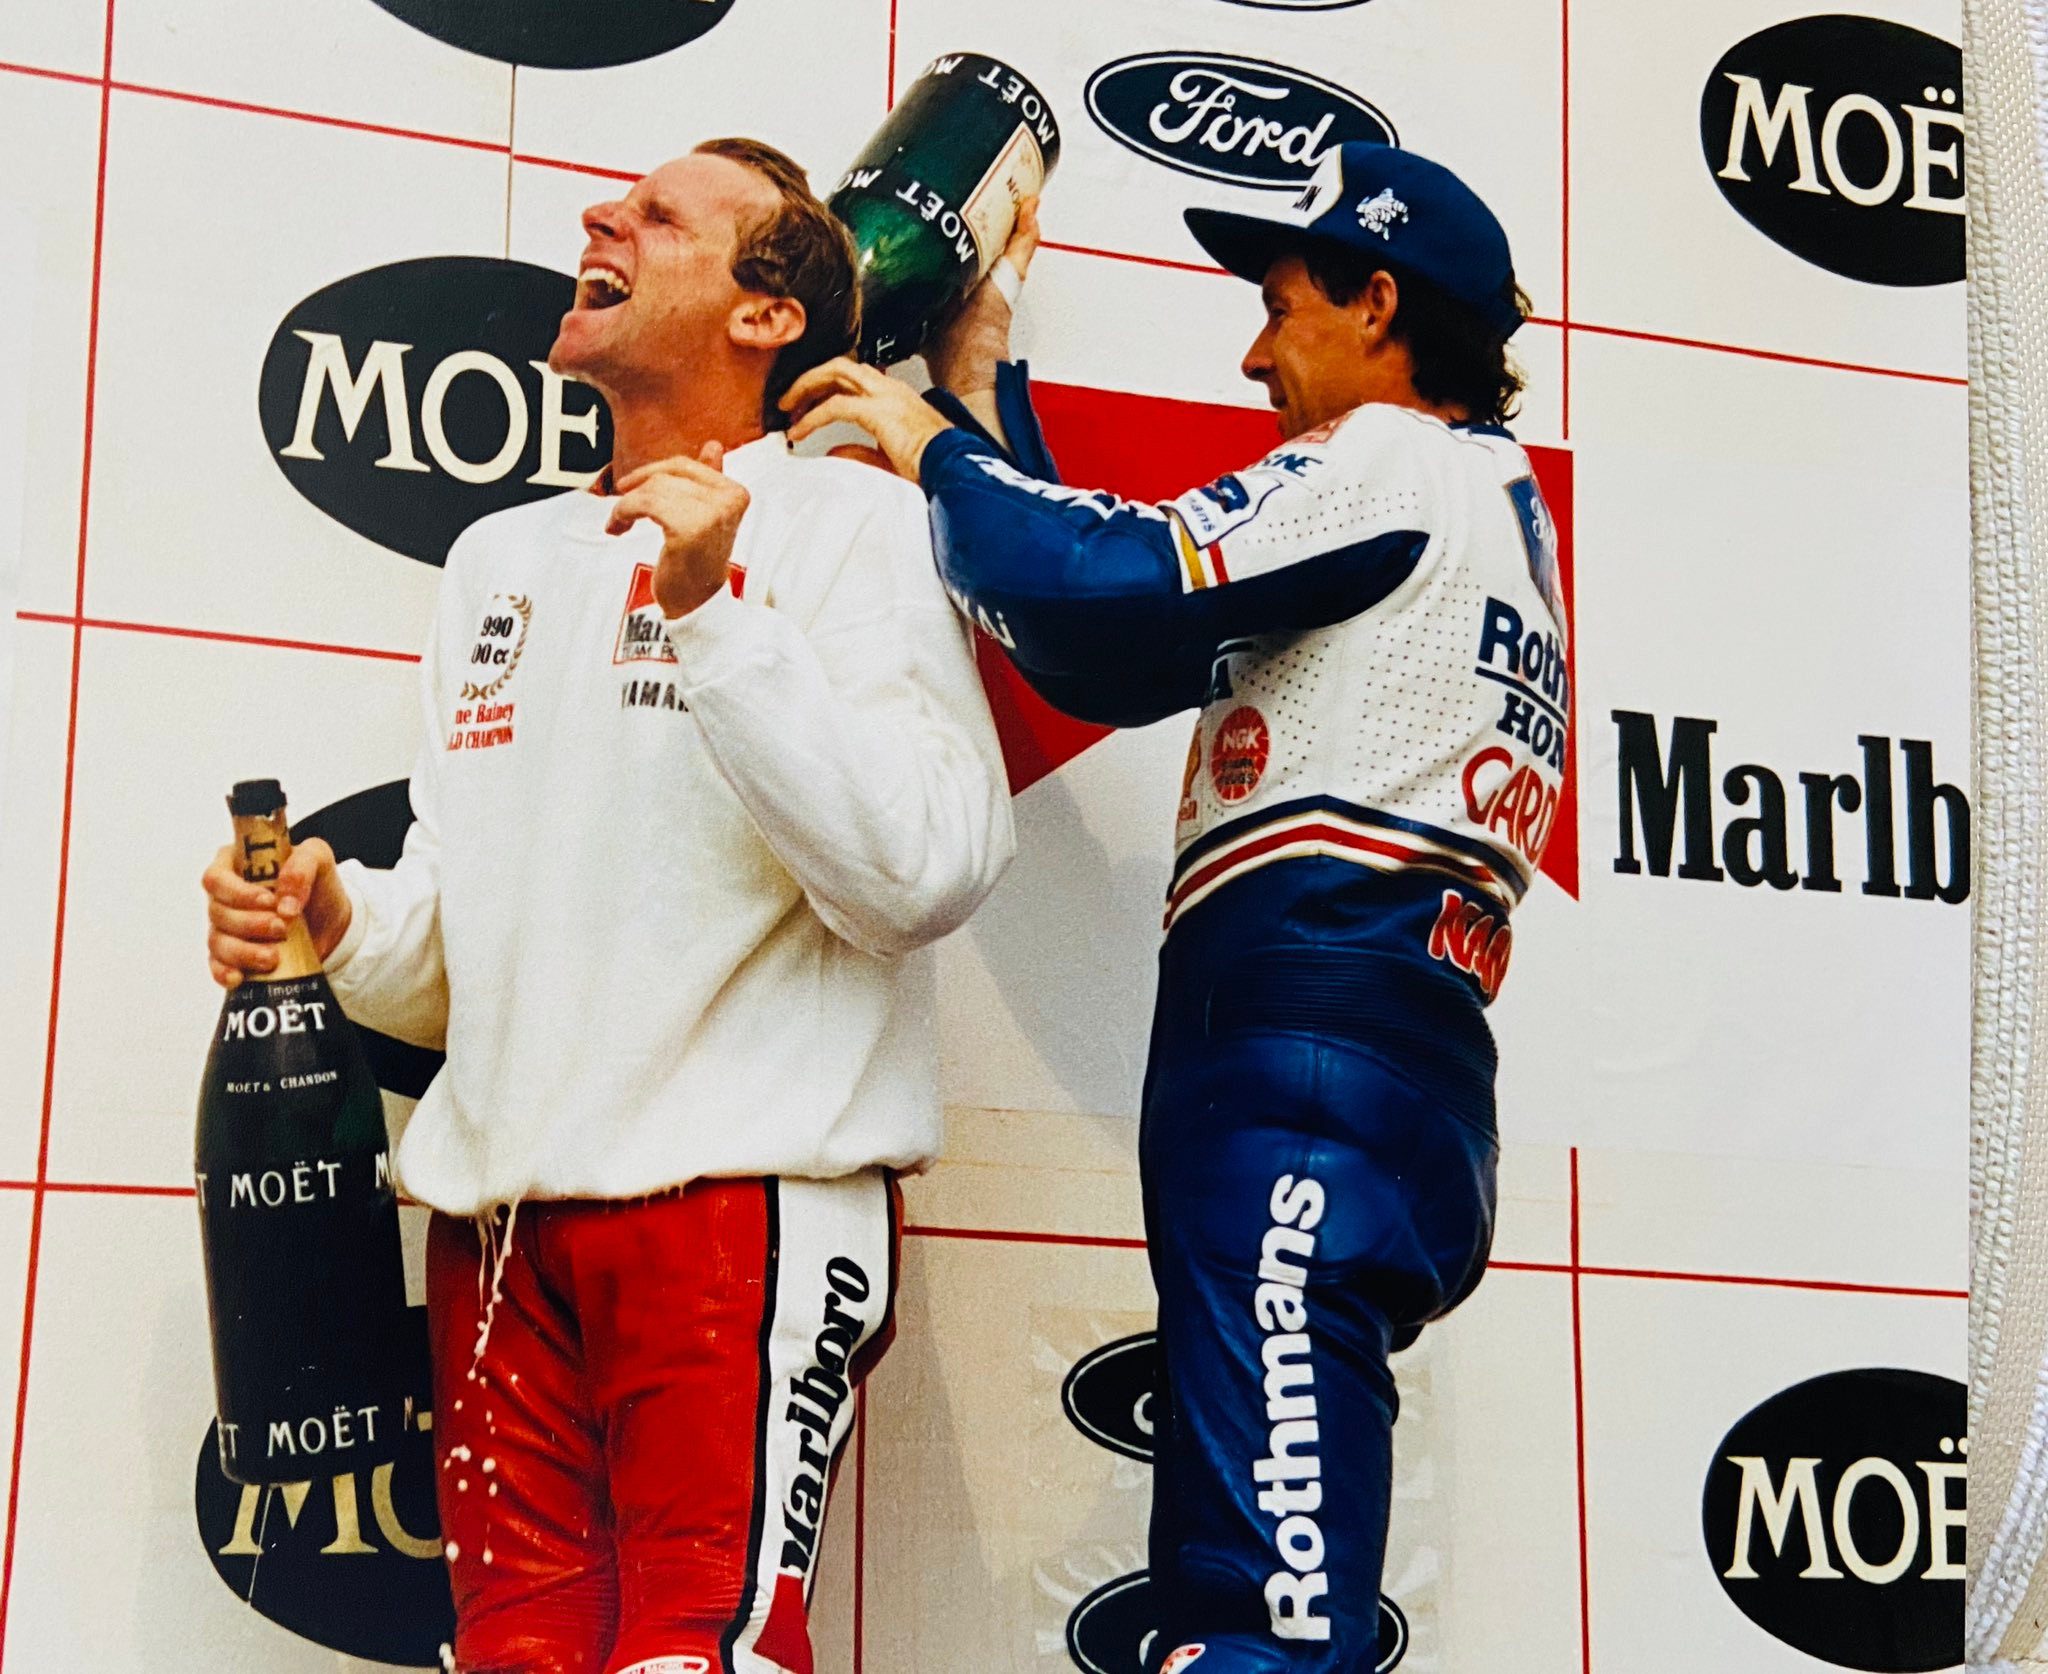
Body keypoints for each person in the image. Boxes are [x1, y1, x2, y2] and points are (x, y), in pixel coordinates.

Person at [201, 137, 1014, 1674]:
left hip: (735, 1206)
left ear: (767, 314)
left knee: (691, 1658)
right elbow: (457, 950)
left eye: (657, 216)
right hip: (498, 1235)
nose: (601, 218)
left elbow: (926, 864)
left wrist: (716, 620)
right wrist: (332, 916)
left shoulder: (857, 526)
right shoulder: (498, 556)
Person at [786, 141, 1566, 1673]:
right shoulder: (1486, 515)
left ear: (1382, 300)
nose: (1254, 351)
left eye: (1281, 307)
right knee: (1251, 1593)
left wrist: (928, 445)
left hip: (1307, 1058)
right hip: (1369, 1056)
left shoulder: (1396, 458)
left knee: (1262, 1620)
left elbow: (1117, 580)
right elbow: (1098, 652)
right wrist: (980, 394)